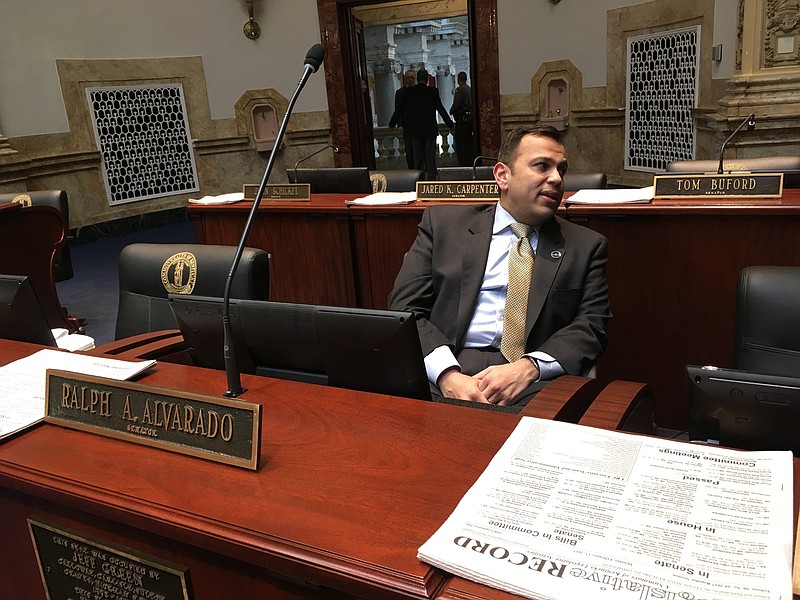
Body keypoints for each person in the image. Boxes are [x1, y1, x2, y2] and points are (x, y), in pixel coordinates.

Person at [388, 125, 611, 409]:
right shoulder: (443, 226)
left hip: (534, 380)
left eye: (561, 170)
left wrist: (529, 368)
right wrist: (447, 375)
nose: (556, 179)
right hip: (446, 365)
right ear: (502, 175)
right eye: (542, 166)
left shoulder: (585, 246)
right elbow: (404, 309)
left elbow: (592, 325)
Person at [393, 68, 454, 180]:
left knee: (417, 159)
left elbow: (399, 109)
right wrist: (450, 123)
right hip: (429, 130)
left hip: (415, 131)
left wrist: (392, 123)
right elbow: (440, 109)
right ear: (426, 79)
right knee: (430, 158)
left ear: (417, 78)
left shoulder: (410, 92)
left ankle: (417, 181)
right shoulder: (432, 91)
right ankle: (431, 181)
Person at [389, 69, 417, 169]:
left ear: (415, 79)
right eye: (408, 77)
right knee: (409, 150)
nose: (410, 79)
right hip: (406, 126)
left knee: (418, 150)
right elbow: (398, 110)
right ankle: (412, 170)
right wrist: (399, 125)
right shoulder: (400, 93)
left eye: (412, 77)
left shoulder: (418, 92)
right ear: (404, 79)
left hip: (418, 125)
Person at [449, 71, 475, 167]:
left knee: (461, 144)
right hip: (470, 119)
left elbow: (457, 104)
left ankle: (463, 162)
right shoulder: (470, 89)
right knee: (469, 143)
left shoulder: (459, 90)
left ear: (458, 79)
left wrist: (451, 111)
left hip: (462, 120)